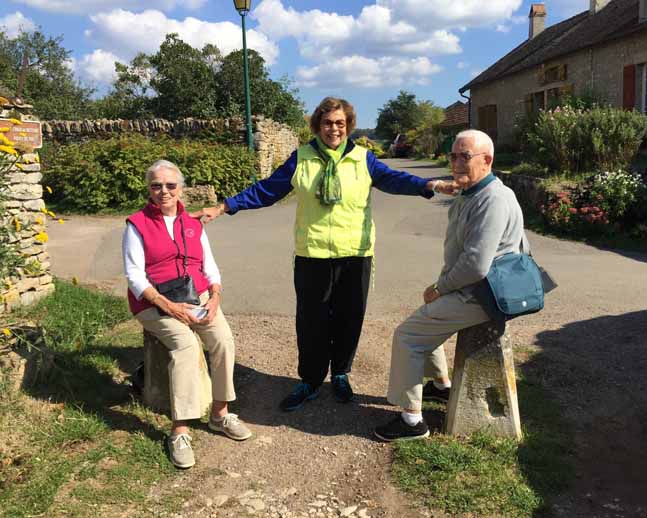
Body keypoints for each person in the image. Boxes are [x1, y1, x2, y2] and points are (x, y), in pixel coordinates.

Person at [195, 97, 457, 412]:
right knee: (311, 321)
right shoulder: (301, 158)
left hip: (355, 254)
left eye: (340, 123)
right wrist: (225, 206)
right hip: (312, 255)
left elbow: (395, 180)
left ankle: (342, 374)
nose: (333, 129)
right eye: (328, 123)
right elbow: (267, 190)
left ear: (348, 126)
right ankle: (310, 379)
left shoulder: (364, 159)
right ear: (318, 125)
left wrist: (429, 185)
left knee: (349, 318)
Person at [374, 129, 526, 441]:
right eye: (453, 155)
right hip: (474, 288)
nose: (456, 162)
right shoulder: (472, 192)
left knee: (407, 335)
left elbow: (475, 264)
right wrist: (442, 289)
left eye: (464, 156)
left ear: (487, 160)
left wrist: (441, 287)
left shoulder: (493, 199)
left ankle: (412, 421)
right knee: (427, 315)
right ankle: (442, 386)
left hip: (483, 294)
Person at [122, 159, 251, 469]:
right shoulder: (136, 223)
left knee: (222, 340)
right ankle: (179, 431)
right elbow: (134, 275)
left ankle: (219, 414)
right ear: (149, 189)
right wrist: (168, 306)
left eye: (170, 185)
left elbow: (210, 265)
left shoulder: (193, 224)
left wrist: (216, 296)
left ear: (180, 189)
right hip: (155, 303)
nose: (163, 191)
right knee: (186, 346)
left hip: (198, 297)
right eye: (156, 185)